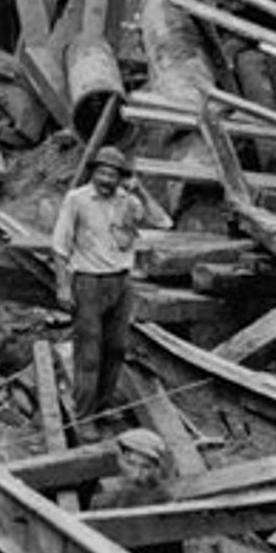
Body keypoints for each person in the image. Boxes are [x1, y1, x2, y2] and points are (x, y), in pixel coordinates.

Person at [50, 145, 173, 427]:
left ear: (121, 177)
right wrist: (63, 287)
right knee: (89, 353)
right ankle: (84, 417)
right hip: (89, 283)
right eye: (102, 173)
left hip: (121, 283)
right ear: (93, 172)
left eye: (113, 175)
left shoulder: (128, 201)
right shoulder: (77, 200)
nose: (106, 180)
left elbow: (164, 222)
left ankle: (103, 407)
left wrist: (139, 191)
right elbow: (59, 246)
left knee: (116, 348)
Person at [89, 429, 184, 553]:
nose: (136, 475)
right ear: (120, 459)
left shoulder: (165, 501)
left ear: (156, 469)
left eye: (145, 467)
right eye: (130, 463)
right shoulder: (105, 498)